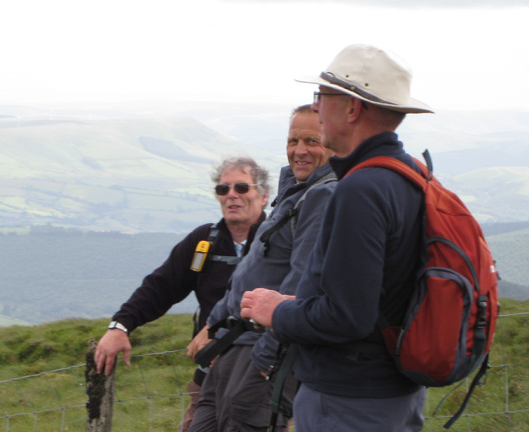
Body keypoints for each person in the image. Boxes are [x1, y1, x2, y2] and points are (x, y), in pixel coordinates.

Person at [240, 44, 434, 432]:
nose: (317, 109)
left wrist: (276, 310)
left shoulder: (360, 189)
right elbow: (374, 297)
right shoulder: (410, 175)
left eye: (322, 97)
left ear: (352, 108)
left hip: (351, 399)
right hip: (394, 389)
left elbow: (348, 317)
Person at [187, 104, 336, 432]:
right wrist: (212, 327)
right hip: (234, 345)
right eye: (292, 140)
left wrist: (267, 358)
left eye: (312, 140)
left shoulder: (322, 197)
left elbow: (301, 284)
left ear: (333, 142)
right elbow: (251, 272)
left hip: (262, 348)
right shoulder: (293, 195)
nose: (299, 151)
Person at [94, 155, 270, 432]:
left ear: (263, 195)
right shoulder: (204, 242)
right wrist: (120, 325)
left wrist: (216, 329)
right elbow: (161, 287)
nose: (231, 196)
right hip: (209, 375)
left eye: (241, 188)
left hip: (260, 376)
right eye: (223, 189)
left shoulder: (279, 243)